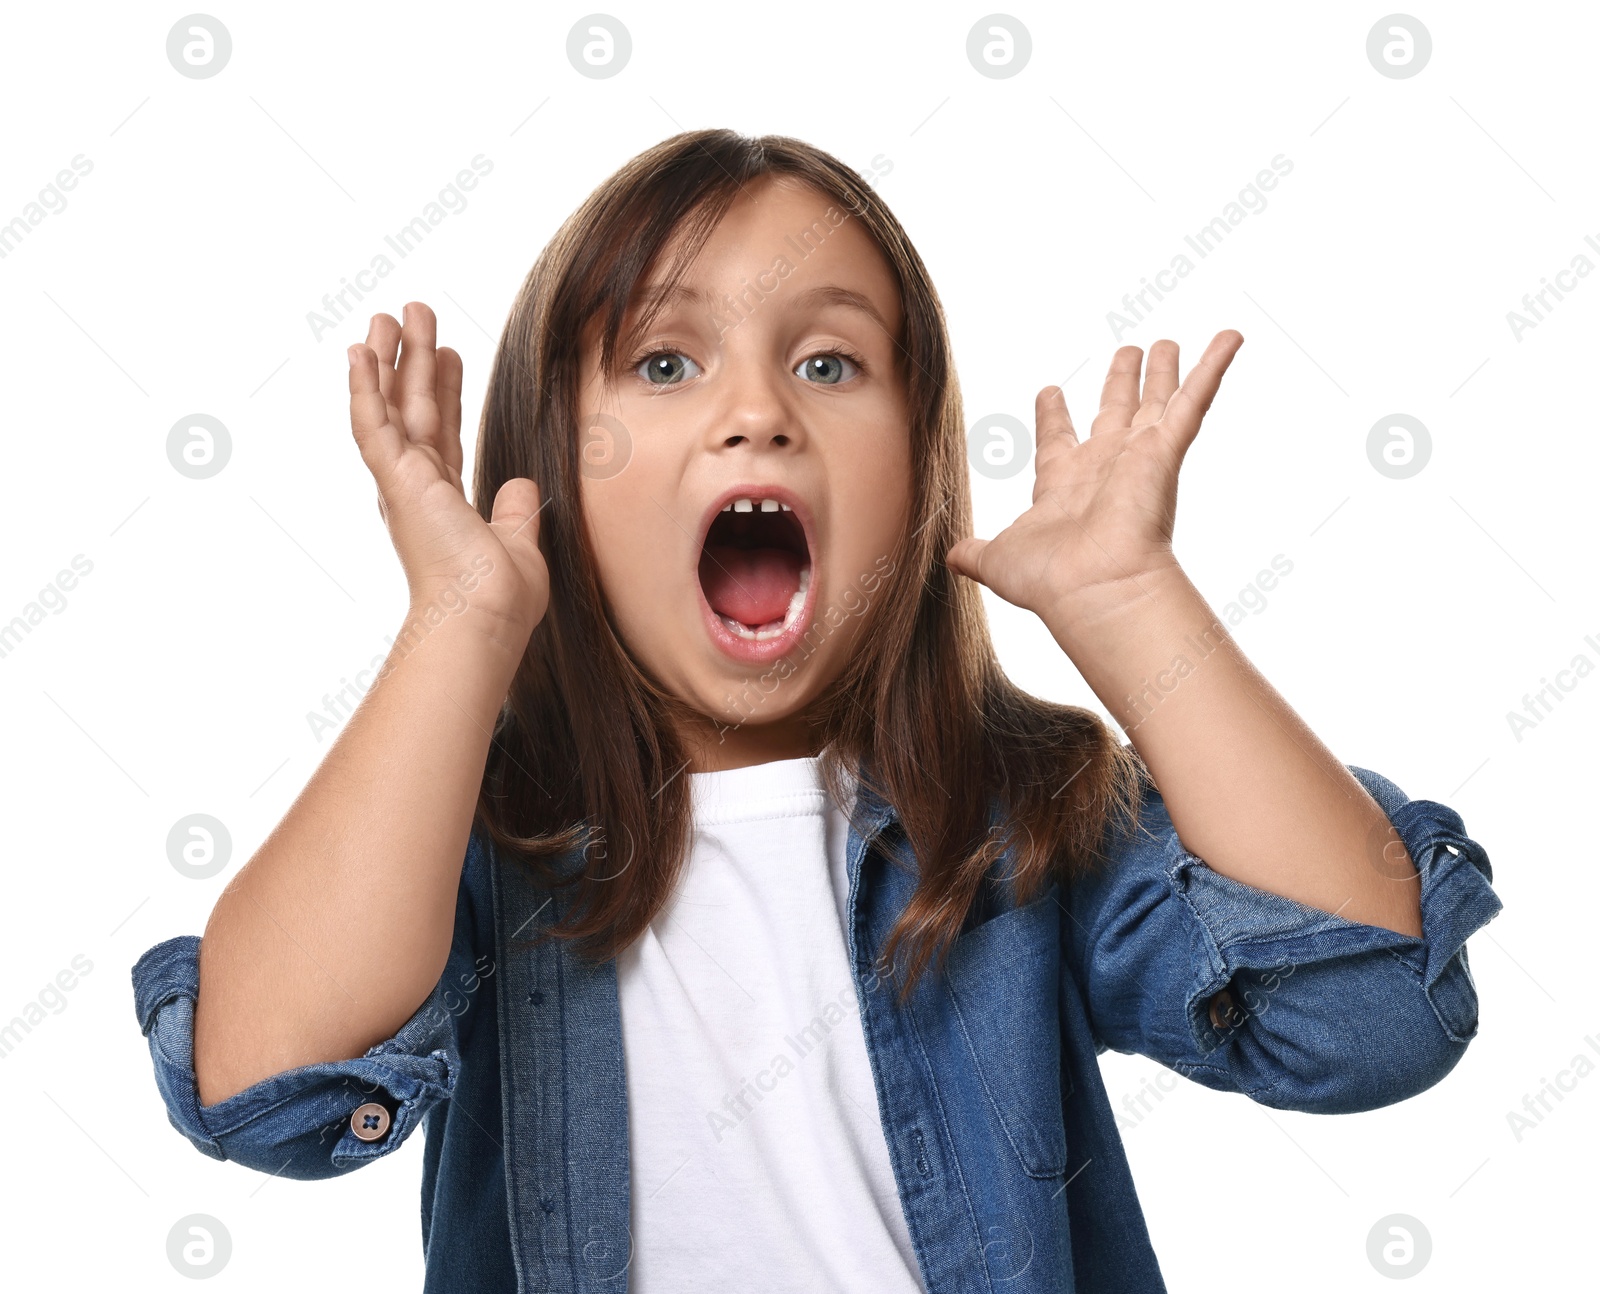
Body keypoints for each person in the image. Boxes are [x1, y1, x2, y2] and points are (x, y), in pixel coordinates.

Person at [131, 129, 1502, 1293]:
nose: (756, 413)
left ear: (918, 473)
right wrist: (460, 629)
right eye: (664, 364)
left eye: (831, 364)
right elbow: (265, 1088)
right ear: (556, 466)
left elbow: (1377, 1014)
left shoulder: (1016, 819)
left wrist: (1132, 602)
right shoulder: (477, 836)